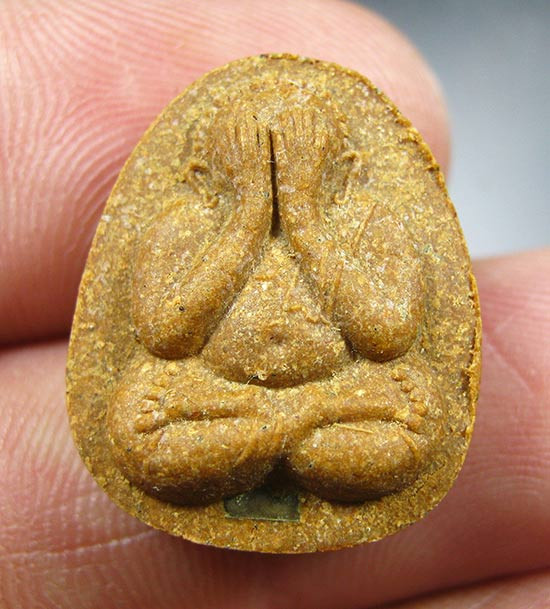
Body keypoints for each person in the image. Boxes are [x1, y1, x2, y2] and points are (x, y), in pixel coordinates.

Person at [0, 1, 548, 607]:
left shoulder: (370, 220)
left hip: (338, 395)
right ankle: (288, 433)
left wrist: (305, 218)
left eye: (294, 169)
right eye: (253, 169)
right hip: (220, 392)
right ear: (203, 174)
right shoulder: (182, 223)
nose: (277, 187)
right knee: (134, 419)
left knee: (419, 410)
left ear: (346, 170)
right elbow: (164, 337)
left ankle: (270, 436)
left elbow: (390, 336)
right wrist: (247, 218)